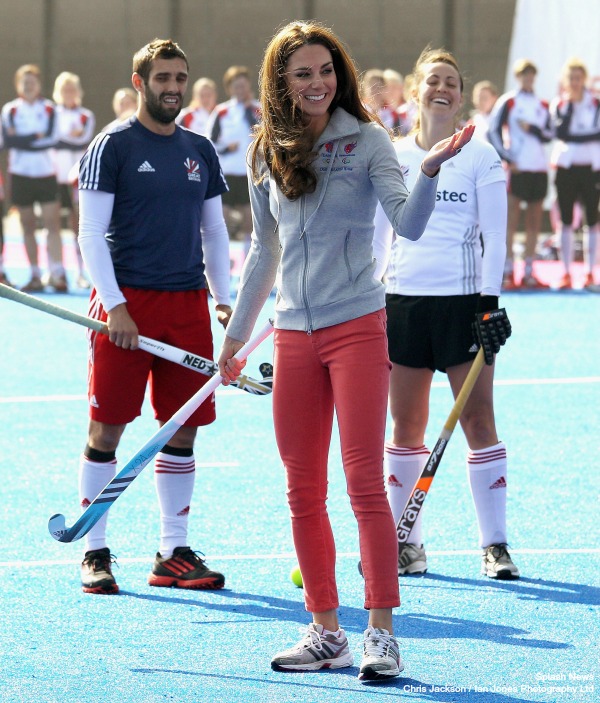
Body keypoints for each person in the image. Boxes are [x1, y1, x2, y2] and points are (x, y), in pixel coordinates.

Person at [217, 21, 473, 681]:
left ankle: (381, 632)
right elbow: (263, 253)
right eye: (302, 73)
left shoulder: (368, 141)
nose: (316, 83)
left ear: (342, 75)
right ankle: (325, 628)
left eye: (325, 71)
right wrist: (236, 339)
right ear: (282, 81)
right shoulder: (265, 152)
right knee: (302, 489)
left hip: (358, 326)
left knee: (363, 483)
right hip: (293, 334)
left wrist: (431, 168)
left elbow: (408, 223)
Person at [76, 38, 231, 595]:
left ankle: (172, 552)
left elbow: (214, 231)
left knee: (183, 429)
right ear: (140, 82)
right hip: (126, 305)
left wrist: (223, 297)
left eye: (180, 78)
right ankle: (94, 550)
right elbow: (90, 233)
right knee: (108, 429)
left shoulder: (200, 149)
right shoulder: (110, 146)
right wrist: (114, 304)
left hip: (187, 304)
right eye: (162, 78)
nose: (173, 88)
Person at [373, 47, 518, 583]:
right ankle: (406, 543)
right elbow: (379, 238)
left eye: (452, 81)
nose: (443, 88)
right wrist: (371, 296)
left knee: (480, 421)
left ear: (461, 93)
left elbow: (495, 237)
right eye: (433, 79)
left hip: (462, 309)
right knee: (406, 426)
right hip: (403, 304)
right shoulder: (390, 154)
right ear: (415, 89)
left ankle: (495, 545)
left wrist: (488, 304)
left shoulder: (481, 155)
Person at [0, 64, 67, 292]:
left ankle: (58, 274)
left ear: (39, 85)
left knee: (52, 224)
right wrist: (32, 137)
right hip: (20, 175)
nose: (28, 86)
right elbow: (8, 142)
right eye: (24, 82)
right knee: (27, 226)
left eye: (32, 82)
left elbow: (51, 138)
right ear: (18, 85)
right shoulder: (10, 110)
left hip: (46, 173)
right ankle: (35, 275)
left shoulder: (50, 109)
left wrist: (22, 139)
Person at [488, 59, 553, 290]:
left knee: (534, 221)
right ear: (518, 77)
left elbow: (549, 134)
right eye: (524, 75)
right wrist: (507, 157)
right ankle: (507, 270)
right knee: (511, 221)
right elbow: (492, 131)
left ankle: (529, 270)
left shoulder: (542, 103)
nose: (528, 79)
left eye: (531, 75)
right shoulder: (509, 101)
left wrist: (534, 129)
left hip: (538, 168)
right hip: (518, 168)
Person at [550, 58, 600, 289]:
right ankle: (566, 271)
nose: (576, 82)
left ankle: (590, 271)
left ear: (585, 79)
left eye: (579, 78)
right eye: (571, 78)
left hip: (591, 168)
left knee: (593, 220)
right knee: (566, 220)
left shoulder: (596, 104)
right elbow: (561, 133)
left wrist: (578, 136)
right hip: (566, 168)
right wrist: (570, 107)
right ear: (566, 81)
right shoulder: (560, 104)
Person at [206, 66, 260, 244]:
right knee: (223, 215)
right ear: (230, 88)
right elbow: (210, 141)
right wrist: (226, 148)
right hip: (227, 172)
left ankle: (246, 253)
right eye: (236, 86)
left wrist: (248, 111)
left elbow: (265, 134)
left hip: (250, 172)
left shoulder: (258, 109)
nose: (240, 90)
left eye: (243, 86)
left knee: (249, 217)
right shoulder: (221, 111)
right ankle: (225, 252)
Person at [52, 71, 96, 289]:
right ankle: (57, 272)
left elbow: (82, 139)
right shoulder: (51, 113)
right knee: (54, 225)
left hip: (78, 179)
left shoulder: (86, 115)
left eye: (72, 88)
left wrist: (63, 139)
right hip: (54, 176)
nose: (69, 93)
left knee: (78, 226)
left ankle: (81, 272)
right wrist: (68, 138)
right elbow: (56, 140)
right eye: (64, 89)